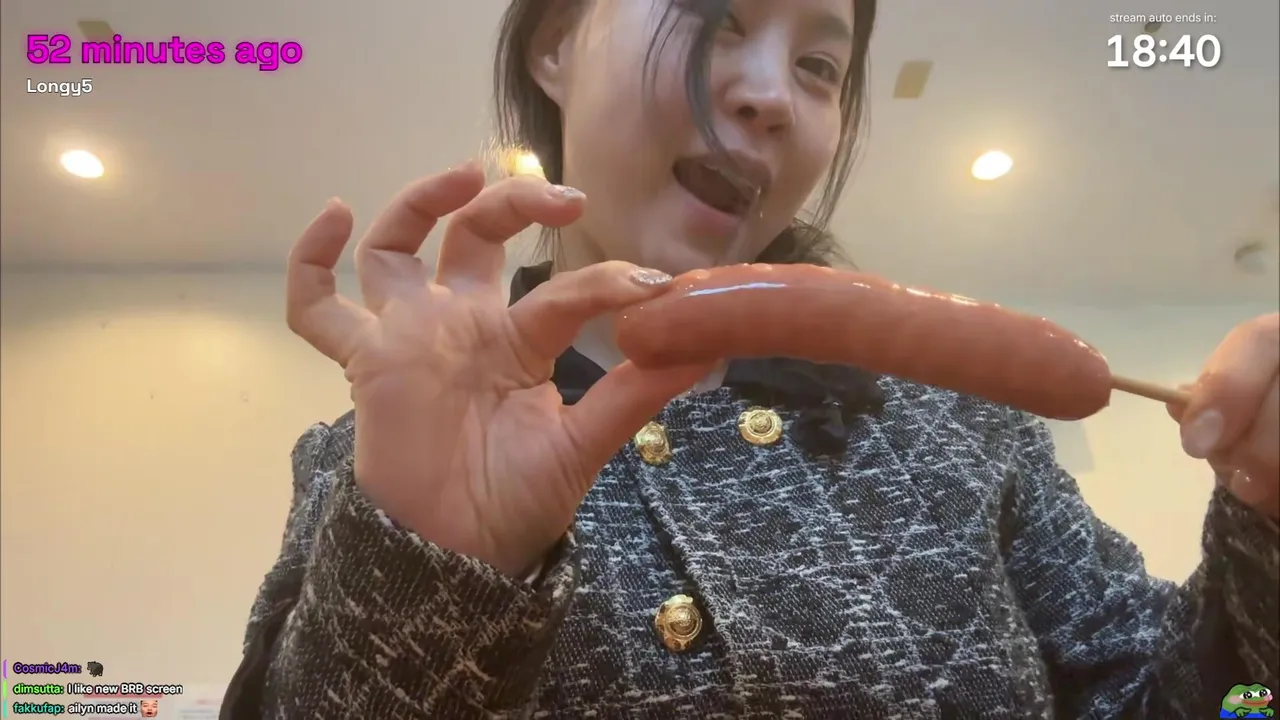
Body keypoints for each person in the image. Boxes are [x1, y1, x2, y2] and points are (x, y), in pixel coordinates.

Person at [221, 0, 1280, 717]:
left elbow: (1230, 704)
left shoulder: (966, 428)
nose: (773, 92)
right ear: (554, 43)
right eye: (708, 13)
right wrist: (428, 578)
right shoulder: (373, 465)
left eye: (820, 65)